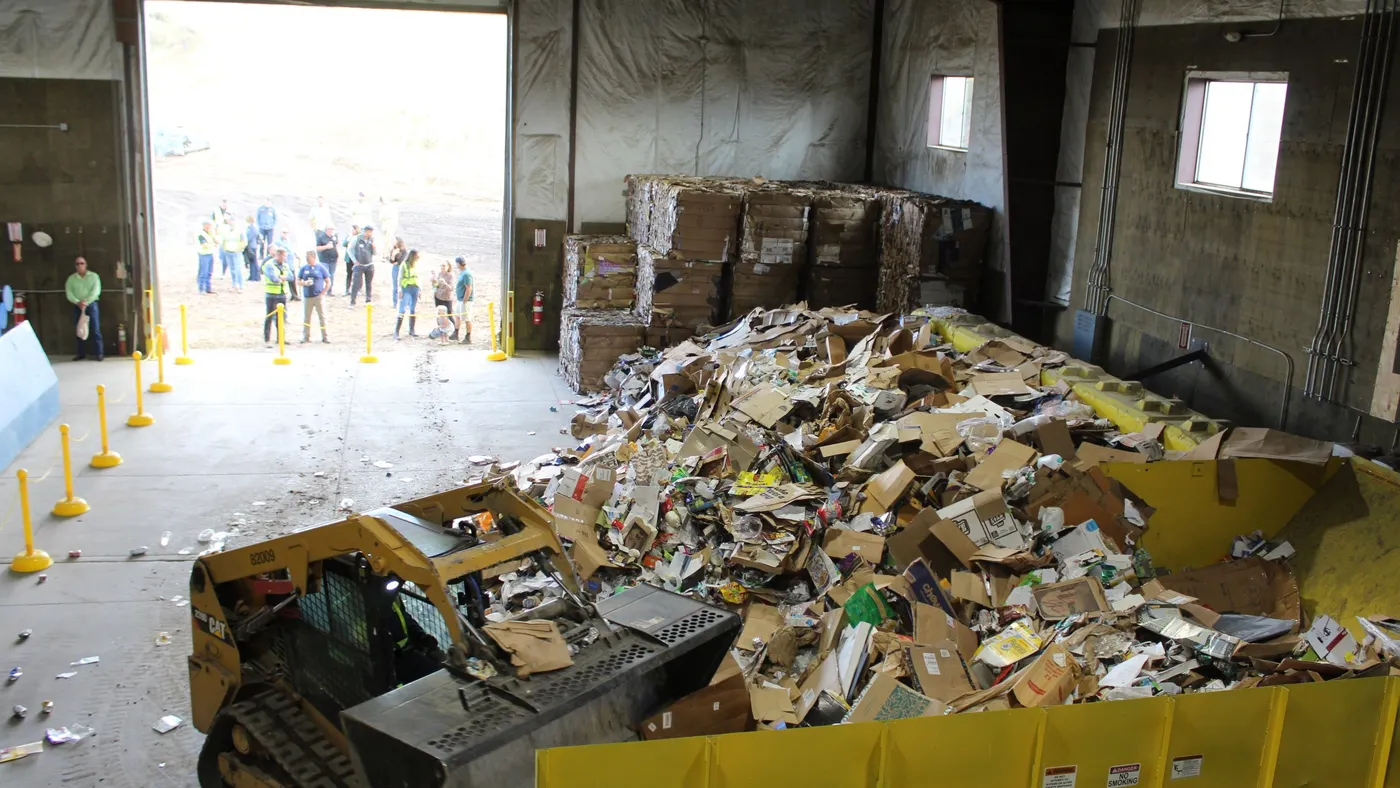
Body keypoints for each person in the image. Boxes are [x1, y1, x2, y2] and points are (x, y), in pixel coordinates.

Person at [66, 256, 104, 361]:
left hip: (91, 304)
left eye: (82, 263)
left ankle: (99, 353)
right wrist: (78, 302)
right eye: (77, 264)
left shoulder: (94, 276)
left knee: (95, 328)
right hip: (77, 305)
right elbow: (69, 293)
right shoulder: (71, 279)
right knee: (79, 329)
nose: (80, 266)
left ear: (86, 265)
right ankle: (80, 353)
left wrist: (86, 302)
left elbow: (96, 291)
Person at [260, 248, 293, 347]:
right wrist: (282, 278)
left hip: (282, 294)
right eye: (283, 256)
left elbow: (291, 277)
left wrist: (283, 278)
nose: (285, 258)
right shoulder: (269, 265)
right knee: (269, 316)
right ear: (278, 255)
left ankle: (280, 338)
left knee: (281, 318)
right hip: (271, 294)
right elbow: (273, 278)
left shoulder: (285, 265)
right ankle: (267, 338)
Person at [298, 250, 331, 344]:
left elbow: (328, 281)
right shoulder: (304, 268)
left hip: (318, 296)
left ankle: (325, 336)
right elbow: (297, 280)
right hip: (307, 296)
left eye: (309, 258)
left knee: (322, 317)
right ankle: (306, 336)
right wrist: (304, 283)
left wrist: (323, 292)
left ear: (314, 257)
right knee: (306, 317)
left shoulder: (321, 268)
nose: (308, 260)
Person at [395, 249, 421, 340]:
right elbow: (400, 277)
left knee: (413, 309)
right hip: (406, 287)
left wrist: (420, 290)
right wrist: (399, 290)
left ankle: (412, 330)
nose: (418, 257)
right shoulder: (404, 264)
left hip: (415, 287)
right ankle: (396, 332)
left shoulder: (417, 265)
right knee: (402, 309)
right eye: (417, 255)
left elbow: (418, 277)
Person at [348, 225, 376, 306]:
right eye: (368, 231)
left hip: (369, 264)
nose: (370, 233)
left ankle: (368, 299)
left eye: (371, 232)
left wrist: (374, 248)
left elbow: (374, 253)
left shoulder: (372, 240)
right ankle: (352, 300)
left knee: (369, 283)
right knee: (356, 283)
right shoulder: (357, 238)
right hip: (359, 264)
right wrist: (354, 260)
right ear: (365, 231)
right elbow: (350, 249)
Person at [220, 219, 246, 292]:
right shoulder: (226, 230)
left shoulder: (239, 231)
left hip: (236, 251)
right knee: (232, 269)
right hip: (228, 251)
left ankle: (241, 285)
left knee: (238, 269)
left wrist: (240, 248)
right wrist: (224, 248)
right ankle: (234, 284)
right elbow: (224, 240)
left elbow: (243, 241)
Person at [432, 260, 455, 338]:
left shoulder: (450, 275)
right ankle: (441, 332)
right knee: (439, 315)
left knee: (449, 314)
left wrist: (445, 283)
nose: (442, 267)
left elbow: (451, 288)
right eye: (441, 265)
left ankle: (454, 331)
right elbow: (436, 285)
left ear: (448, 267)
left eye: (444, 266)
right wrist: (434, 281)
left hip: (447, 297)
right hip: (438, 296)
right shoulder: (439, 274)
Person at [454, 257, 474, 344]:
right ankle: (455, 333)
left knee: (467, 318)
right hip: (460, 299)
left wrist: (465, 299)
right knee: (458, 316)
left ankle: (468, 336)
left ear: (458, 264)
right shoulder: (463, 273)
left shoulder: (466, 274)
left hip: (465, 300)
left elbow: (469, 288)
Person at [315, 224, 339, 295]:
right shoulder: (321, 237)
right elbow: (317, 248)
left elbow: (336, 246)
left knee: (332, 275)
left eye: (332, 229)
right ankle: (322, 289)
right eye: (330, 229)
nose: (331, 231)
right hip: (324, 260)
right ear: (327, 229)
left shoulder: (334, 237)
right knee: (324, 275)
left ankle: (329, 290)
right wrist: (326, 247)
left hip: (333, 259)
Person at [196, 221, 218, 294]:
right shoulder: (201, 234)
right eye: (208, 225)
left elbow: (216, 241)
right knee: (203, 272)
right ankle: (201, 288)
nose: (209, 227)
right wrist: (213, 245)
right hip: (204, 254)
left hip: (210, 253)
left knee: (209, 272)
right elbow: (204, 244)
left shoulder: (210, 233)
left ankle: (208, 288)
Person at [388, 237, 407, 308]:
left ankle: (403, 302)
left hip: (402, 268)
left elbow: (402, 260)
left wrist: (397, 262)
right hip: (395, 268)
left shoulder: (404, 251)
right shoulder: (393, 250)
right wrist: (393, 255)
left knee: (403, 285)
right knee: (395, 286)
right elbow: (391, 261)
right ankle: (395, 303)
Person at [341, 224, 360, 295]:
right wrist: (348, 239)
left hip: (356, 257)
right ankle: (347, 289)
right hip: (349, 258)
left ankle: (356, 289)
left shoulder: (358, 237)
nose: (352, 231)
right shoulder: (349, 236)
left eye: (353, 229)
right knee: (349, 274)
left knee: (357, 274)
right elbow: (344, 244)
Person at [243, 216, 261, 283]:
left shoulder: (252, 228)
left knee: (253, 262)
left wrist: (245, 241)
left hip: (252, 246)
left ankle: (255, 276)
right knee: (251, 262)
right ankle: (252, 276)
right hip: (251, 246)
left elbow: (249, 237)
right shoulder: (251, 227)